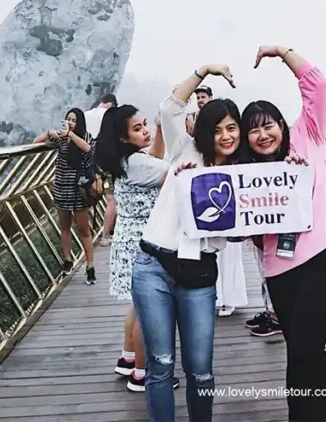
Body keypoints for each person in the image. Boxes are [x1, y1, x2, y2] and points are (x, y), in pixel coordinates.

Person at [241, 45, 326, 422]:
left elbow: (317, 85)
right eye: (253, 129)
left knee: (307, 349)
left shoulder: (306, 136)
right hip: (281, 267)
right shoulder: (247, 173)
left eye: (268, 124)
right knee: (300, 352)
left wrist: (281, 51)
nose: (262, 134)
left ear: (281, 124)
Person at [130, 63, 236, 422]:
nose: (225, 135)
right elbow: (170, 108)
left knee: (201, 369)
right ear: (205, 131)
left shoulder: (244, 173)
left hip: (200, 274)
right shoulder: (185, 149)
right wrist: (203, 70)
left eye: (232, 128)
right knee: (160, 366)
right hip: (154, 266)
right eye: (217, 128)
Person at [94, 104, 180, 393]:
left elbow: (154, 158)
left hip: (127, 240)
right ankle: (143, 373)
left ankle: (128, 357)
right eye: (138, 128)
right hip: (144, 244)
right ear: (123, 137)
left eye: (145, 124)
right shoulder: (138, 164)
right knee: (150, 313)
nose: (144, 131)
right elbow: (174, 172)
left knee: (137, 304)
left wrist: (158, 130)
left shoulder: (127, 160)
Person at [34, 107, 99, 285]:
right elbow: (36, 141)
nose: (70, 122)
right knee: (64, 227)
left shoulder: (85, 137)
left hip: (79, 190)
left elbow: (87, 149)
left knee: (84, 230)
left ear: (80, 123)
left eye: (74, 120)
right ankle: (67, 260)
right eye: (68, 119)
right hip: (62, 187)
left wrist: (70, 135)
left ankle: (90, 266)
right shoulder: (61, 140)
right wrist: (50, 133)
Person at [85, 93, 119, 247]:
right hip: (107, 162)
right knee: (111, 199)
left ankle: (87, 236)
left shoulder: (85, 115)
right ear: (111, 104)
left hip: (87, 163)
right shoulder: (110, 116)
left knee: (89, 198)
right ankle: (105, 235)